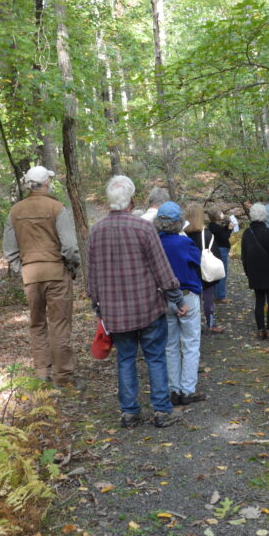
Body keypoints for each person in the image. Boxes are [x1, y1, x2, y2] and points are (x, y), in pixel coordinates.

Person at [86, 176, 186, 429]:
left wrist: (97, 305)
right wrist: (176, 297)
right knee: (155, 358)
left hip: (116, 312)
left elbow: (93, 273)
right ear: (131, 201)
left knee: (126, 359)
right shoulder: (144, 228)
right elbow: (161, 268)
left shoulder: (96, 231)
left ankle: (130, 412)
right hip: (147, 307)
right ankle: (162, 411)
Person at [3, 166, 80, 386]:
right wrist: (71, 267)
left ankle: (41, 373)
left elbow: (9, 249)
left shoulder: (15, 211)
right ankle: (63, 376)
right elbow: (71, 247)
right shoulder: (57, 207)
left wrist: (23, 268)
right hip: (57, 273)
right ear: (46, 183)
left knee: (37, 324)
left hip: (31, 275)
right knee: (59, 324)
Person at [155, 202, 207, 405]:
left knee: (169, 345)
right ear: (179, 222)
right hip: (187, 296)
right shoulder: (185, 244)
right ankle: (187, 389)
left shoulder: (155, 244)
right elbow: (197, 263)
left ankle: (173, 389)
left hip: (163, 298)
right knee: (191, 343)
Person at [241, 203, 269, 339]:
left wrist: (248, 272)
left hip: (254, 272)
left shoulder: (247, 233)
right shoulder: (268, 233)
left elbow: (244, 257)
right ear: (264, 215)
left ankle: (260, 330)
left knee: (259, 301)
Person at [184, 204, 221, 333]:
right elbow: (216, 254)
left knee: (192, 299)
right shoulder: (207, 234)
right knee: (208, 298)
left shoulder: (182, 234)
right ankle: (210, 324)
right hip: (205, 272)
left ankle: (193, 324)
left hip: (189, 271)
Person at [207, 208, 232, 304]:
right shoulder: (215, 227)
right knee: (222, 273)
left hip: (219, 250)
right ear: (216, 216)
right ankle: (221, 296)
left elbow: (222, 233)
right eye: (219, 212)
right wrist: (229, 230)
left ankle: (217, 294)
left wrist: (227, 228)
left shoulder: (214, 226)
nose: (221, 214)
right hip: (221, 250)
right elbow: (224, 237)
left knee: (219, 272)